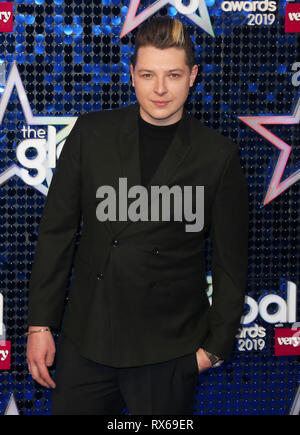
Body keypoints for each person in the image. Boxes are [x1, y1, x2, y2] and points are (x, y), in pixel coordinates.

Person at [26, 16, 249, 415]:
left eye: (173, 75)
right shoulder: (91, 134)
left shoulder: (218, 156)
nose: (160, 89)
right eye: (148, 74)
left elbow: (230, 263)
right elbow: (56, 234)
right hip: (87, 341)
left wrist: (212, 350)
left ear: (193, 76)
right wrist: (40, 325)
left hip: (168, 351)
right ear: (132, 75)